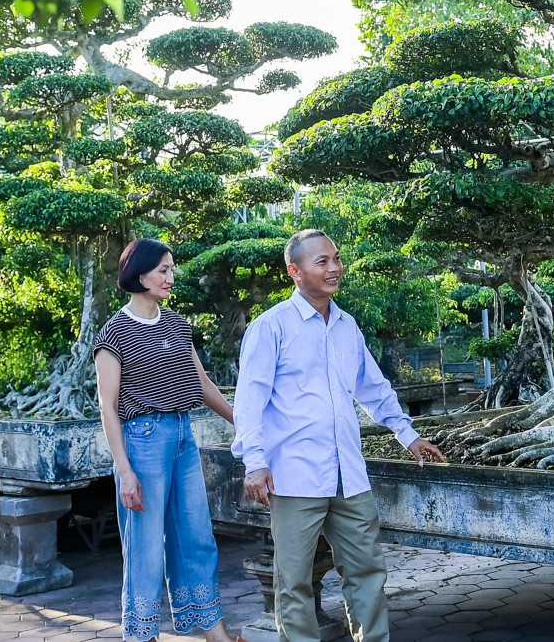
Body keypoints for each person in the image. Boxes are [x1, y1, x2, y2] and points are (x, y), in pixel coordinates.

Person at [232, 228, 447, 642]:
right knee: (294, 582)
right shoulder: (271, 327)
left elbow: (373, 388)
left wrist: (408, 435)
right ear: (295, 271)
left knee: (367, 573)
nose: (335, 268)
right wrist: (254, 463)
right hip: (294, 477)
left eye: (336, 259)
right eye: (322, 262)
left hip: (349, 474)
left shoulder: (348, 326)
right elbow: (249, 402)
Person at [95, 238, 238, 642]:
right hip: (142, 442)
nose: (170, 277)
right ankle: (142, 636)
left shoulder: (177, 325)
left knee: (196, 537)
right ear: (140, 275)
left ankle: (216, 635)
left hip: (182, 437)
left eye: (172, 269)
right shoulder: (114, 333)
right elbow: (107, 407)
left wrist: (242, 423)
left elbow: (202, 383)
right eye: (163, 270)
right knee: (144, 547)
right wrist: (125, 471)